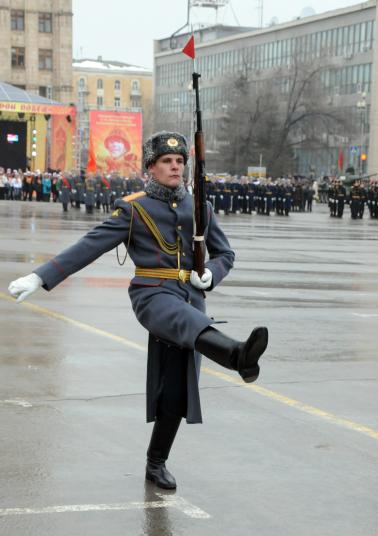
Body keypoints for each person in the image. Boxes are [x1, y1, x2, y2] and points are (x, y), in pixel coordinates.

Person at [8, 131, 268, 491]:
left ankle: (156, 462)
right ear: (151, 167)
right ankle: (237, 354)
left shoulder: (199, 206)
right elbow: (90, 245)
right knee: (188, 321)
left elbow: (226, 254)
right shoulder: (134, 208)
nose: (175, 166)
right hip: (153, 294)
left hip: (191, 295)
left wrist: (212, 274)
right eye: (167, 161)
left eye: (180, 162)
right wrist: (40, 277)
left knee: (176, 390)